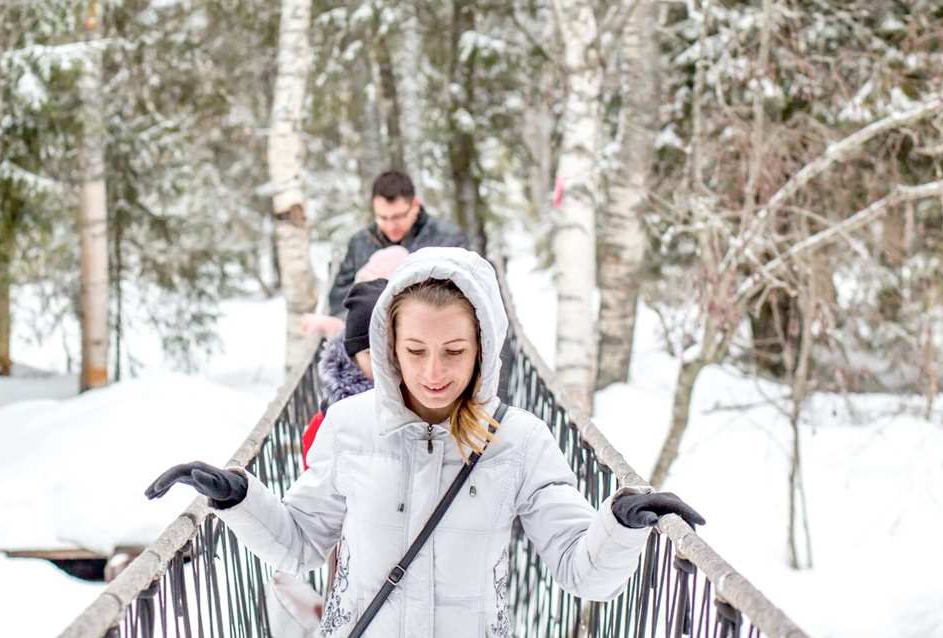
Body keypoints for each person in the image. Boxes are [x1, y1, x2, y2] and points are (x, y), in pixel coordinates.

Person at [146, 247, 704, 638]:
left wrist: (622, 524)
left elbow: (583, 573)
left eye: (454, 351)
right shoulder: (349, 426)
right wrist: (237, 498)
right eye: (415, 351)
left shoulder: (521, 441)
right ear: (389, 344)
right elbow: (302, 545)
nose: (433, 372)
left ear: (484, 347)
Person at [327, 171, 468, 319]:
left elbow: (466, 296)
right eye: (382, 218)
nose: (390, 226)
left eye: (398, 217)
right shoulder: (360, 243)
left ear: (415, 206)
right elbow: (339, 301)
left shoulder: (447, 240)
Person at [301, 279, 386, 470]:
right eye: (372, 354)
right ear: (351, 356)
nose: (384, 364)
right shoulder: (326, 425)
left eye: (393, 352)